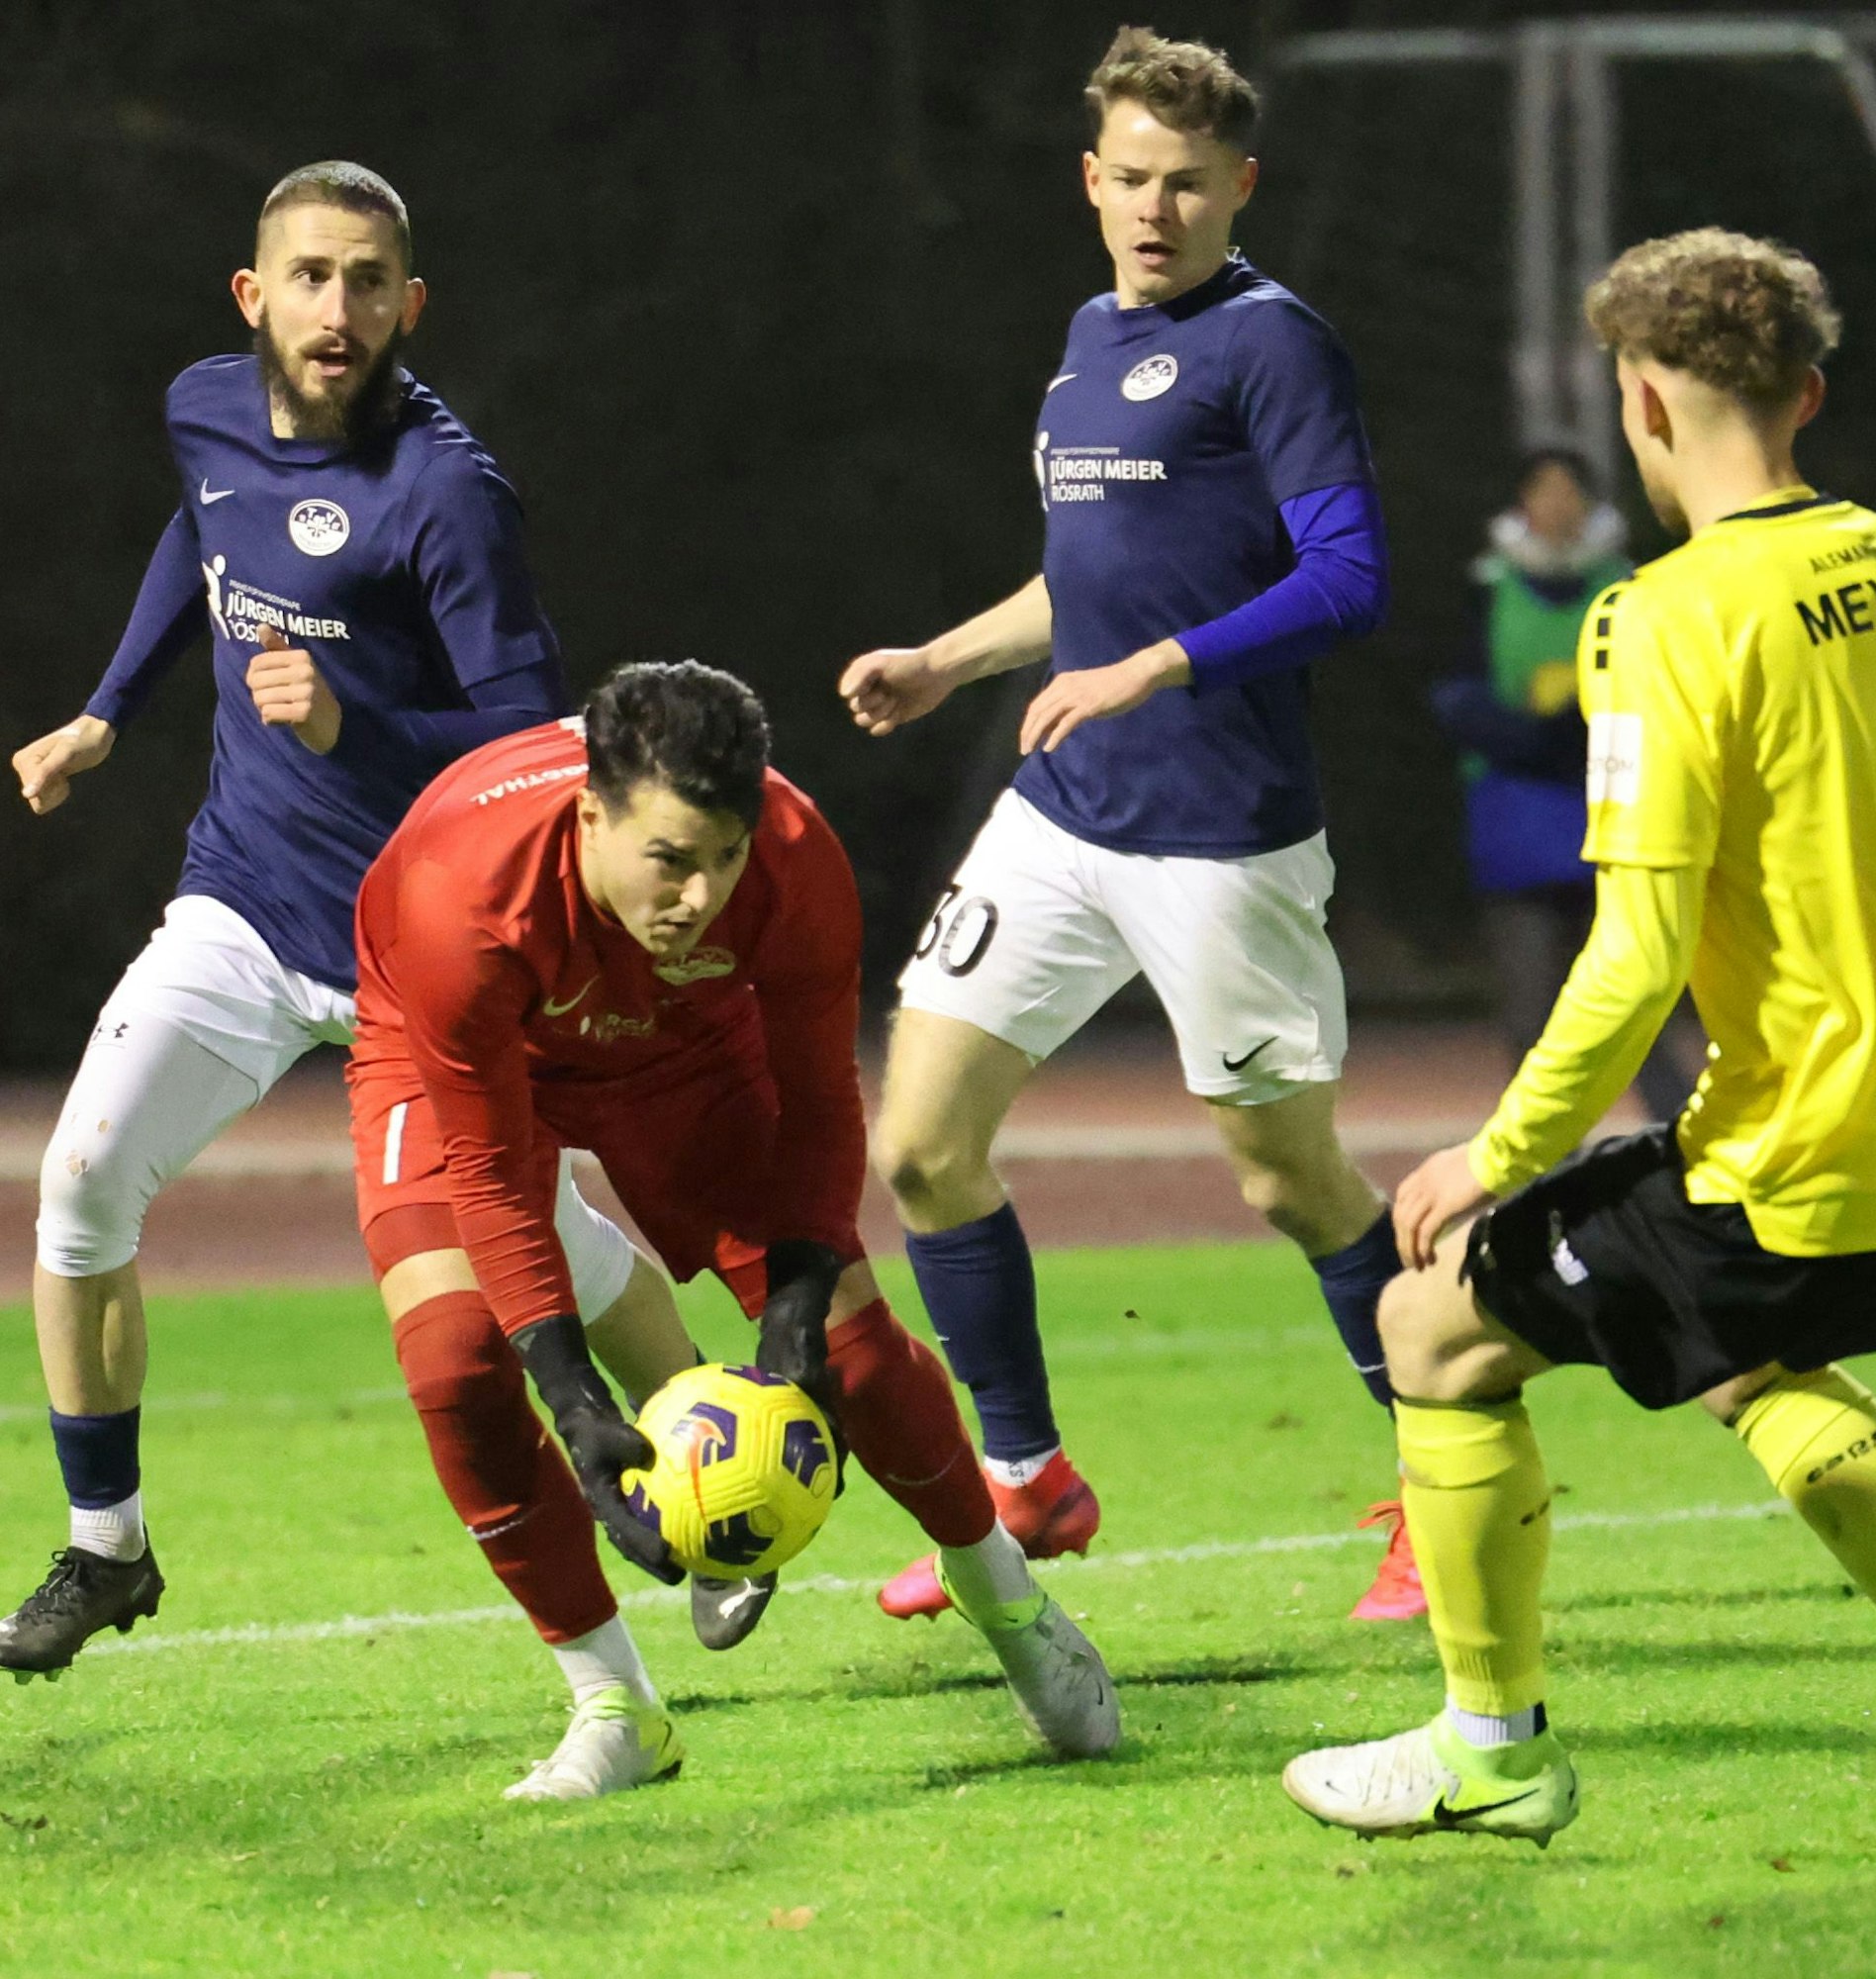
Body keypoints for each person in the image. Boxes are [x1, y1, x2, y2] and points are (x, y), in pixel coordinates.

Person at [1282, 229, 1876, 1860]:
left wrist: (1494, 1153)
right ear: (1804, 394)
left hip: (1802, 1162)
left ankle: (1491, 1749)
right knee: (1743, 1357)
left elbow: (1636, 958)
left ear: (1644, 404)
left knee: (1426, 1323)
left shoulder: (1661, 618)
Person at [0, 161, 667, 1680]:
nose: (337, 308)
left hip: (413, 940)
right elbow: (207, 536)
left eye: (370, 281)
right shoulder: (207, 410)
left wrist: (350, 721)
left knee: (538, 1238)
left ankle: (703, 1461)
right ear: (253, 297)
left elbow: (528, 732)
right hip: (243, 903)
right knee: (85, 1181)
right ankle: (108, 1551)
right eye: (309, 276)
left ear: (410, 306)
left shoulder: (447, 491)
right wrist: (111, 709)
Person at [840, 27, 1421, 1625]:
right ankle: (1026, 1479)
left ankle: (1445, 1486)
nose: (1155, 209)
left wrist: (1157, 665)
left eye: (1188, 184)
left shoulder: (1274, 345)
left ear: (1239, 186)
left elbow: (1348, 581)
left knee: (1286, 1179)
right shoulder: (1090, 337)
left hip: (1221, 832)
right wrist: (947, 660)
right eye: (1130, 180)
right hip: (1070, 813)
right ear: (1090, 182)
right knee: (920, 1146)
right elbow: (1089, 583)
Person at [348, 662, 1120, 1800]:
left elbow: (818, 1102)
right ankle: (614, 1705)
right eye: (668, 858)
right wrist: (573, 1397)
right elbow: (497, 1175)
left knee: (854, 1350)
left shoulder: (797, 858)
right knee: (456, 1361)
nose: (700, 893)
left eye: (724, 856)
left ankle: (1005, 1596)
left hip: (678, 1051)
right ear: (591, 814)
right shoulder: (458, 900)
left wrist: (800, 1302)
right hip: (458, 1054)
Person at [1432, 450, 1701, 1122]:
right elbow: (1454, 694)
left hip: (1616, 813)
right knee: (1529, 1008)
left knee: (1639, 994)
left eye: (1568, 491)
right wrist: (1532, 736)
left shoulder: (1631, 586)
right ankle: (1532, 1154)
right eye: (1541, 491)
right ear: (1519, 504)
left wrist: (1579, 729)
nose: (1556, 505)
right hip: (1518, 819)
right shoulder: (1485, 589)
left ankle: (1682, 1140)